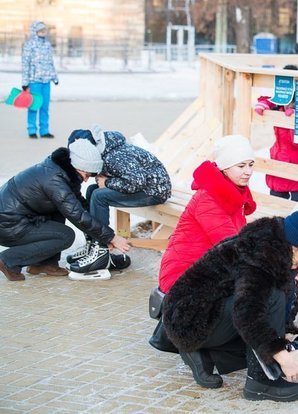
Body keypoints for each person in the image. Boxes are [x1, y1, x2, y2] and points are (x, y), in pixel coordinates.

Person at [162, 208, 298, 402]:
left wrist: (286, 334)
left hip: (210, 311)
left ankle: (207, 356)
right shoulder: (260, 257)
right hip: (189, 322)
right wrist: (280, 354)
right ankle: (261, 382)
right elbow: (247, 314)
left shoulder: (279, 251)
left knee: (267, 334)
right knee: (270, 298)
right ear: (293, 245)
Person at [148, 135, 257, 354]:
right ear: (224, 167)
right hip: (183, 275)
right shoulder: (209, 198)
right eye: (241, 166)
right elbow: (230, 244)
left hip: (206, 267)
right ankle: (197, 344)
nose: (248, 171)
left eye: (251, 164)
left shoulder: (231, 193)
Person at [0, 140, 130, 281]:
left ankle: (44, 264)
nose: (87, 180)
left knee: (59, 211)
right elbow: (77, 215)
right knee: (65, 236)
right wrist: (111, 237)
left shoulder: (61, 171)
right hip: (8, 226)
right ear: (78, 166)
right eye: (87, 175)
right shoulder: (55, 181)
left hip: (17, 219)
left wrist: (100, 237)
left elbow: (79, 205)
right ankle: (8, 260)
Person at [65, 127, 171, 274]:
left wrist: (107, 182)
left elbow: (136, 182)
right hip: (143, 187)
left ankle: (101, 249)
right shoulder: (104, 151)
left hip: (154, 191)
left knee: (99, 196)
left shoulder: (113, 156)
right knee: (91, 191)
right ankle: (93, 242)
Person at [254, 72, 298, 202]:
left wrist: (296, 121)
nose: (287, 104)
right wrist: (266, 103)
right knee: (275, 204)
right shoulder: (279, 109)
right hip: (279, 162)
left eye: (291, 101)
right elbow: (270, 98)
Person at [21, 20, 59, 139]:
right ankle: (32, 129)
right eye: (40, 30)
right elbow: (25, 64)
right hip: (34, 81)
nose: (43, 32)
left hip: (46, 81)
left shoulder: (47, 45)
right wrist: (25, 82)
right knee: (34, 106)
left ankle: (44, 130)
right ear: (35, 31)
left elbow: (50, 63)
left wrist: (54, 77)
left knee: (44, 107)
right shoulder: (29, 45)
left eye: (44, 30)